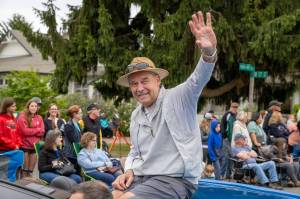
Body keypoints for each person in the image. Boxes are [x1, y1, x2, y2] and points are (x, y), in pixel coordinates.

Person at [112, 11, 217, 199]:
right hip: (144, 178)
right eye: (134, 84)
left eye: (145, 81)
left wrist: (208, 52)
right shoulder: (136, 115)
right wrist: (129, 171)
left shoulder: (179, 97)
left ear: (158, 80)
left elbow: (198, 78)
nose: (140, 88)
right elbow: (136, 151)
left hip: (175, 180)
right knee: (111, 194)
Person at [17, 99, 45, 177]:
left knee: (30, 171)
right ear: (28, 106)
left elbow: (42, 131)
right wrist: (37, 130)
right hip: (24, 146)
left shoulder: (39, 117)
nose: (34, 108)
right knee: (24, 171)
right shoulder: (22, 117)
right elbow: (25, 131)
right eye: (32, 106)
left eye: (35, 106)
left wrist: (32, 130)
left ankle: (29, 187)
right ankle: (22, 187)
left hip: (35, 146)